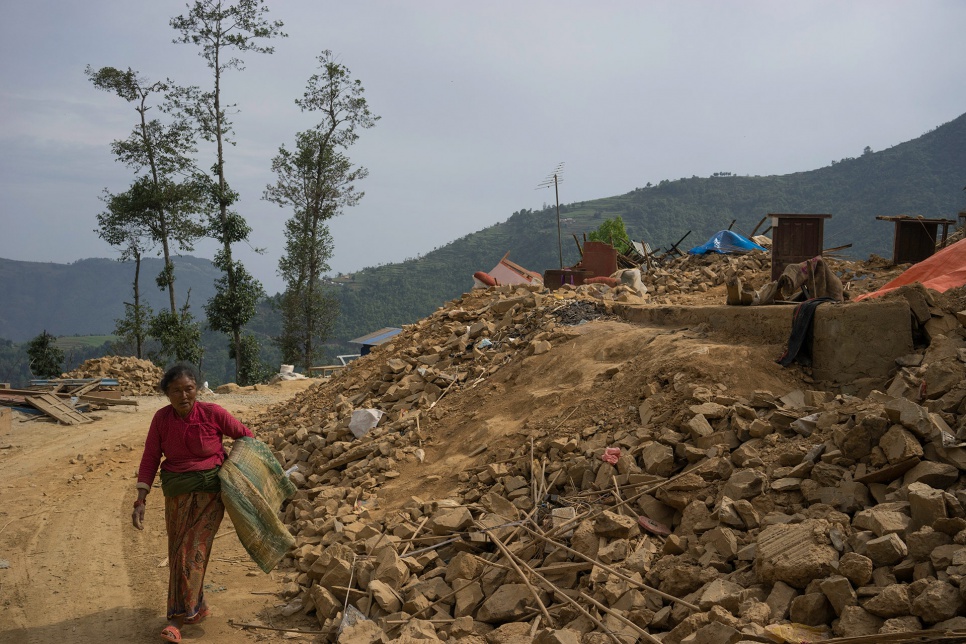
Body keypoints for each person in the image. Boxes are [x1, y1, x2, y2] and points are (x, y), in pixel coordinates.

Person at [132, 363, 253, 643]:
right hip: (176, 497)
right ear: (167, 394)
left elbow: (245, 437)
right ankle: (195, 606)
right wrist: (141, 498)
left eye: (189, 389)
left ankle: (178, 620)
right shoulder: (161, 420)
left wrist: (233, 471)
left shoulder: (213, 413)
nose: (184, 396)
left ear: (197, 389)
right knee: (178, 555)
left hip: (210, 497)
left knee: (190, 553)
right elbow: (150, 457)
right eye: (176, 391)